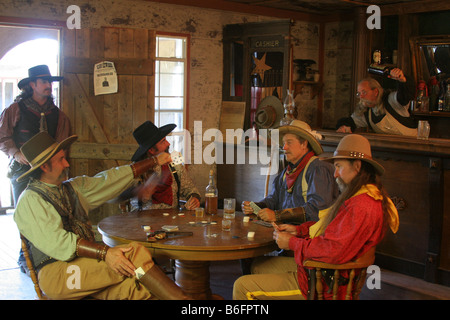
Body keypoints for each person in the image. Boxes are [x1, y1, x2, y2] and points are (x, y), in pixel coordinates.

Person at [14, 131, 191, 300]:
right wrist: (106, 253)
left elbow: (109, 179)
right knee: (134, 254)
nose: (67, 164)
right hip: (58, 276)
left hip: (86, 267)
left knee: (138, 288)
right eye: (61, 160)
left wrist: (153, 161)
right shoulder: (30, 200)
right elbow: (59, 242)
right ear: (45, 166)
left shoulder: (73, 188)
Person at [233, 134, 399, 300]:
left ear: (356, 166)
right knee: (258, 265)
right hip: (322, 269)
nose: (335, 174)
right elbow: (330, 229)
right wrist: (298, 230)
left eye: (339, 167)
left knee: (241, 286)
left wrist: (292, 242)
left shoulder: (361, 205)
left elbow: (332, 249)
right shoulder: (361, 196)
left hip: (324, 282)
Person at [241, 120, 338, 224]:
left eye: (289, 143)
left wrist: (277, 215)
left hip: (308, 236)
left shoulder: (318, 169)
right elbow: (273, 200)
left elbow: (317, 210)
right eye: (284, 143)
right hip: (285, 233)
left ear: (304, 144)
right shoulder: (285, 173)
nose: (284, 147)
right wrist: (255, 207)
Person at [0, 64, 71, 205]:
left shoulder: (59, 115)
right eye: (44, 82)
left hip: (49, 172)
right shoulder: (15, 109)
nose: (48, 85)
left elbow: (62, 144)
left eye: (50, 82)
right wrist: (16, 154)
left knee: (49, 213)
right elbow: (2, 135)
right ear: (32, 84)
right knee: (24, 212)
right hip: (22, 170)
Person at [124, 120, 201, 211]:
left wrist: (194, 198)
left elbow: (191, 190)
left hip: (172, 221)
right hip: (142, 220)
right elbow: (122, 196)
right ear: (151, 150)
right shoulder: (136, 169)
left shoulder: (174, 164)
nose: (168, 144)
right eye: (163, 141)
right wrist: (141, 192)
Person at [336, 68, 417, 136]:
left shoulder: (391, 100)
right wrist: (343, 127)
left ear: (375, 92)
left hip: (412, 146)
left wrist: (402, 80)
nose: (361, 97)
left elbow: (405, 95)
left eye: (364, 92)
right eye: (359, 93)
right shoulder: (367, 113)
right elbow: (350, 121)